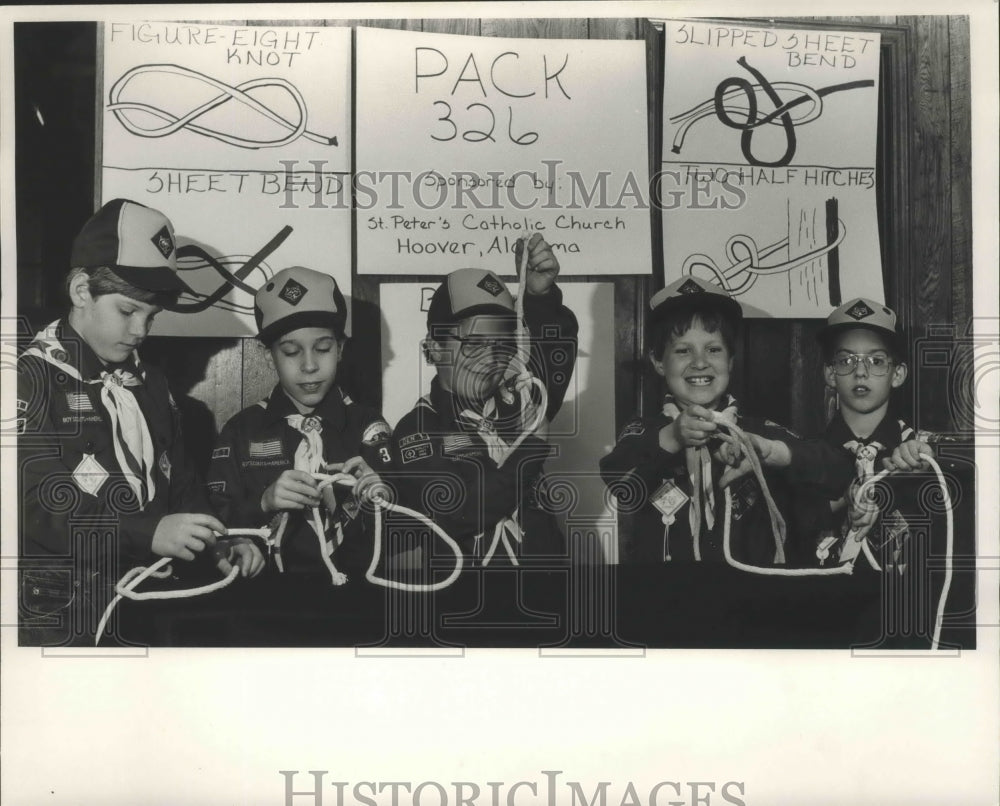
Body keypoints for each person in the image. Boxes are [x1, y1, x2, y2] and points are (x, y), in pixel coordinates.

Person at [17, 198, 263, 646]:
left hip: (141, 602)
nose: (140, 332)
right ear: (80, 292)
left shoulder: (150, 382)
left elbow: (182, 481)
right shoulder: (26, 379)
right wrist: (149, 531)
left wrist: (215, 539)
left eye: (151, 316)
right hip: (52, 612)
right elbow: (34, 505)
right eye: (127, 311)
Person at [600, 276, 853, 565]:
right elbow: (619, 484)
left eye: (714, 349)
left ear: (731, 361)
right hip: (665, 602)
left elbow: (838, 472)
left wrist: (772, 453)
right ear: (658, 361)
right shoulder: (645, 432)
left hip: (748, 601)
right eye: (683, 350)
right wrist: (673, 437)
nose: (699, 362)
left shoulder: (760, 433)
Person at [386, 234, 578, 572]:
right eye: (474, 343)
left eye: (502, 344)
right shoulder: (417, 429)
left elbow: (553, 358)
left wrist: (540, 296)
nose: (491, 359)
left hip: (545, 593)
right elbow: (458, 510)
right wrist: (530, 448)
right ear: (433, 348)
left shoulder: (517, 405)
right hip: (466, 602)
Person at [206, 266, 393, 582]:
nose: (309, 365)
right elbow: (211, 521)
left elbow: (411, 525)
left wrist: (379, 500)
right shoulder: (240, 431)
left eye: (323, 349)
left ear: (341, 349)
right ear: (269, 358)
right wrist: (262, 503)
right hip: (266, 603)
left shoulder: (368, 426)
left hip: (359, 601)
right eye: (291, 352)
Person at [814, 298, 941, 645]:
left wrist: (930, 456)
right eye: (846, 360)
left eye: (876, 360)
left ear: (898, 373)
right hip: (820, 620)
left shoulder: (919, 455)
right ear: (829, 373)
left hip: (903, 623)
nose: (860, 372)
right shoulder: (805, 454)